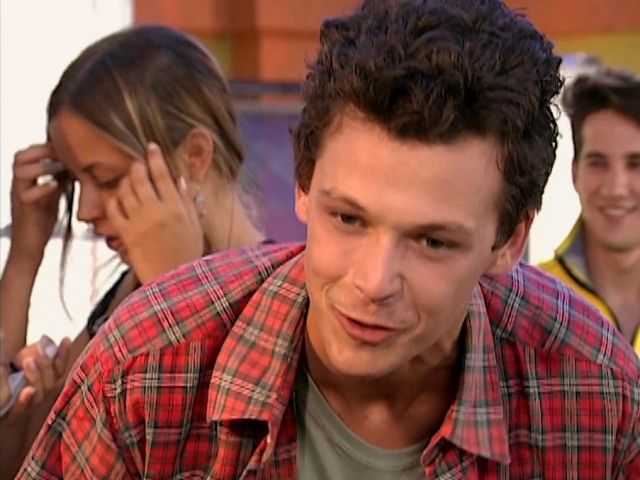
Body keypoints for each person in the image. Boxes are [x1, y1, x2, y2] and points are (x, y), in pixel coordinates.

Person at [19, 1, 640, 478]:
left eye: (432, 243)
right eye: (348, 219)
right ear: (304, 186)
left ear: (510, 240)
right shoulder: (144, 373)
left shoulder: (593, 389)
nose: (373, 281)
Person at [1, 24, 265, 478]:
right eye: (74, 182)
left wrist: (175, 291)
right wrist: (25, 255)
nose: (84, 211)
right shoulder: (125, 294)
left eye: (107, 180)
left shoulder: (275, 300)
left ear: (195, 156)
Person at [539, 67, 640, 355]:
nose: (616, 188)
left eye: (635, 164)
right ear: (575, 174)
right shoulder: (535, 302)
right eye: (598, 163)